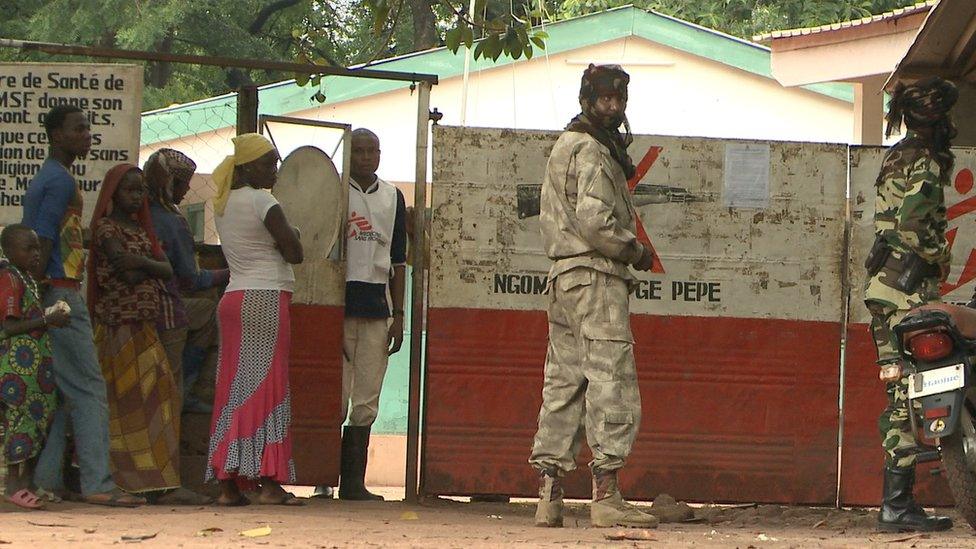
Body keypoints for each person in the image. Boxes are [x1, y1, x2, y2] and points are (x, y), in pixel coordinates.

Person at [528, 64, 656, 529]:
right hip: (596, 276)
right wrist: (634, 250)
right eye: (606, 99)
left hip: (562, 278)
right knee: (611, 380)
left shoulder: (565, 144)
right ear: (588, 100)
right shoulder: (594, 150)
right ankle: (606, 495)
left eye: (619, 99)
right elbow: (596, 221)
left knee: (562, 384)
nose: (614, 107)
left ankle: (550, 497)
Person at [22, 104, 144, 507]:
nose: (87, 135)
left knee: (66, 389)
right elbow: (41, 238)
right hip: (60, 290)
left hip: (53, 288)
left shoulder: (51, 177)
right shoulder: (58, 182)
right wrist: (41, 290)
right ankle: (97, 482)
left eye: (88, 128)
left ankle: (47, 478)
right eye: (78, 129)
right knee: (89, 387)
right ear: (57, 136)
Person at [864, 77, 958, 533]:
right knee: (906, 397)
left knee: (897, 391)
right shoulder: (923, 160)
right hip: (907, 290)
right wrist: (942, 256)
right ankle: (897, 505)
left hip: (884, 289)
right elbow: (917, 227)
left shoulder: (896, 154)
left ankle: (897, 501)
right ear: (938, 118)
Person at [88, 163, 210, 505]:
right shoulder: (106, 228)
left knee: (161, 400)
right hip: (117, 327)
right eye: (129, 189)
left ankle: (161, 480)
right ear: (114, 193)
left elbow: (165, 269)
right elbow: (123, 270)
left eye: (140, 189)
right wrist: (148, 266)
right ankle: (127, 479)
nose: (137, 195)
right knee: (124, 404)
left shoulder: (143, 230)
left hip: (145, 326)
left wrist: (141, 264)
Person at [206, 133, 304, 506]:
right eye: (268, 163)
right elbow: (294, 252)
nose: (275, 171)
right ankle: (268, 482)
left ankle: (228, 485)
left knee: (233, 389)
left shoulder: (223, 203)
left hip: (233, 298)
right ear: (247, 166)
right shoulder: (264, 201)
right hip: (265, 298)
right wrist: (292, 233)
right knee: (267, 386)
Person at [313, 128, 407, 502]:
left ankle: (353, 483)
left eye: (373, 151)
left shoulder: (392, 197)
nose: (367, 157)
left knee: (366, 398)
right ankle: (323, 477)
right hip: (338, 304)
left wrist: (398, 315)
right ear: (348, 155)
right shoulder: (334, 194)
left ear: (380, 154)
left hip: (376, 307)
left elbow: (398, 260)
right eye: (360, 151)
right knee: (335, 395)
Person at [143, 149, 228, 415]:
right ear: (169, 183)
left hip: (142, 303)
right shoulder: (171, 220)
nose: (187, 189)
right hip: (166, 306)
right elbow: (191, 278)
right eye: (182, 183)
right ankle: (190, 389)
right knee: (212, 313)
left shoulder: (139, 211)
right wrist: (227, 274)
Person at [0, 225, 69, 510]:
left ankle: (26, 484)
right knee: (20, 425)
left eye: (37, 248)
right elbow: (10, 326)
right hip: (17, 370)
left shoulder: (25, 278)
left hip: (34, 374)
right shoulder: (9, 278)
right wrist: (47, 320)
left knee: (35, 426)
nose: (35, 254)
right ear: (9, 250)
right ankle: (14, 486)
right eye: (28, 248)